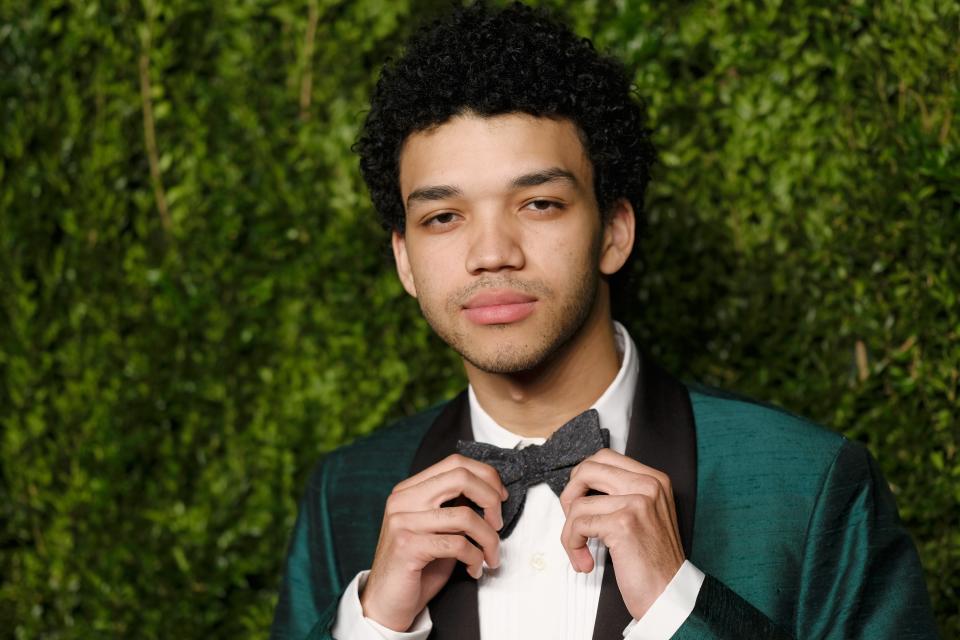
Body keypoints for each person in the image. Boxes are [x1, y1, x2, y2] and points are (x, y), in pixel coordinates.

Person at [270, 3, 937, 639]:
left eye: (538, 204)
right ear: (406, 260)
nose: (491, 253)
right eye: (443, 217)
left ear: (614, 232)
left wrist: (680, 609)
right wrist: (372, 625)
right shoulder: (344, 493)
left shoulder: (811, 483)